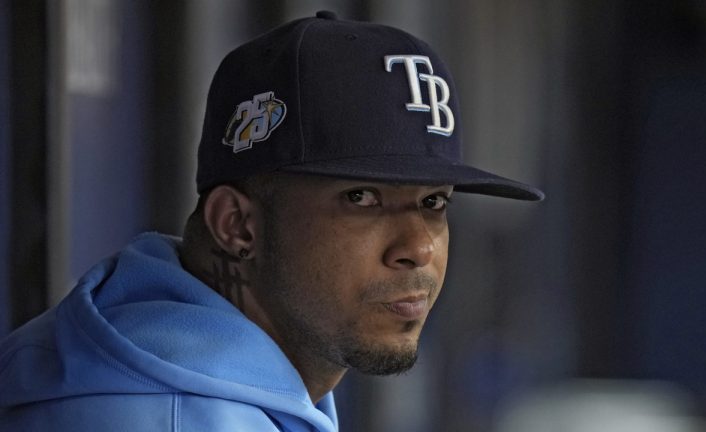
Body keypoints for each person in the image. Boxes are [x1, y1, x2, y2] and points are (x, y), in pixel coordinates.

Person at [0, 11, 543, 431]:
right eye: (362, 197)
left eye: (434, 203)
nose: (419, 248)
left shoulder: (110, 356)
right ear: (238, 225)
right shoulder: (177, 417)